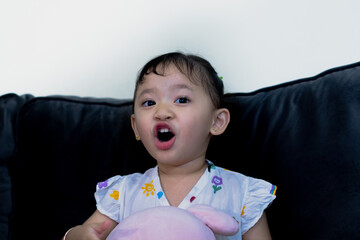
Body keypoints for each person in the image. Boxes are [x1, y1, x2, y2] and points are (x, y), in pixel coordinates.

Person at [63, 52, 277, 240]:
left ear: (217, 122)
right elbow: (88, 232)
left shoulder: (243, 193)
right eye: (149, 102)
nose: (162, 111)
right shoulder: (122, 194)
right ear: (136, 127)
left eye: (181, 99)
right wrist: (76, 235)